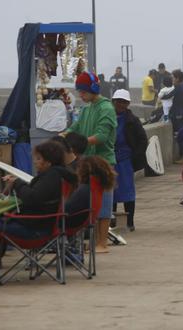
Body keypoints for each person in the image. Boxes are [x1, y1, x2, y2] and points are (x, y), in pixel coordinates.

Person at [0, 141, 77, 285]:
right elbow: (35, 197)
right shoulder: (55, 174)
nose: (35, 162)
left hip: (33, 230)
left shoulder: (51, 176)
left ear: (48, 162)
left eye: (39, 159)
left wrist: (17, 183)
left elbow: (32, 198)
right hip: (35, 225)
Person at [65, 71, 117, 252]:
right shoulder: (86, 109)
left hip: (103, 163)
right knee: (91, 204)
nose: (81, 95)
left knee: (104, 204)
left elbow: (102, 136)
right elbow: (76, 127)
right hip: (87, 163)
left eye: (84, 92)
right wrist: (64, 135)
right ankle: (95, 242)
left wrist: (82, 142)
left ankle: (102, 242)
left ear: (93, 89)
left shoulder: (106, 108)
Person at [111, 89, 147, 232]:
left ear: (128, 104)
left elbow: (143, 140)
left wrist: (134, 157)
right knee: (110, 192)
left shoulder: (133, 120)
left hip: (125, 159)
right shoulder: (108, 117)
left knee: (127, 191)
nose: (121, 104)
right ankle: (110, 221)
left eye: (124, 102)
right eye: (118, 101)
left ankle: (130, 222)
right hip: (110, 158)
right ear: (113, 102)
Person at [66, 156, 117, 229]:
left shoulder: (83, 190)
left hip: (71, 223)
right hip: (85, 221)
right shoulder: (97, 187)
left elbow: (68, 208)